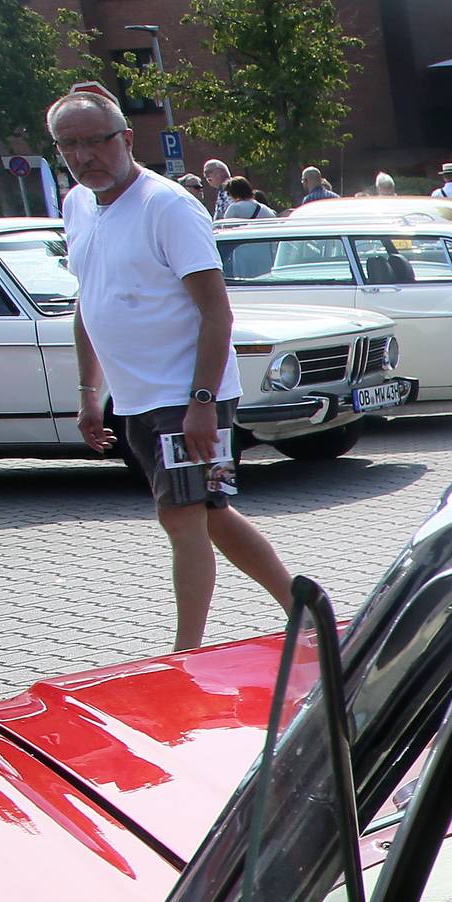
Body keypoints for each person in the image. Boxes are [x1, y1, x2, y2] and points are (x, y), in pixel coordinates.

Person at [47, 91, 295, 652]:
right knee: (212, 514)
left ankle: (186, 655)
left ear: (127, 139)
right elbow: (91, 303)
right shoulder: (78, 205)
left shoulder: (168, 206)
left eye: (96, 140)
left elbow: (216, 311)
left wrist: (202, 402)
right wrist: (90, 392)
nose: (85, 155)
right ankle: (304, 603)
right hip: (135, 399)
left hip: (183, 396)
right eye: (71, 145)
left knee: (181, 520)